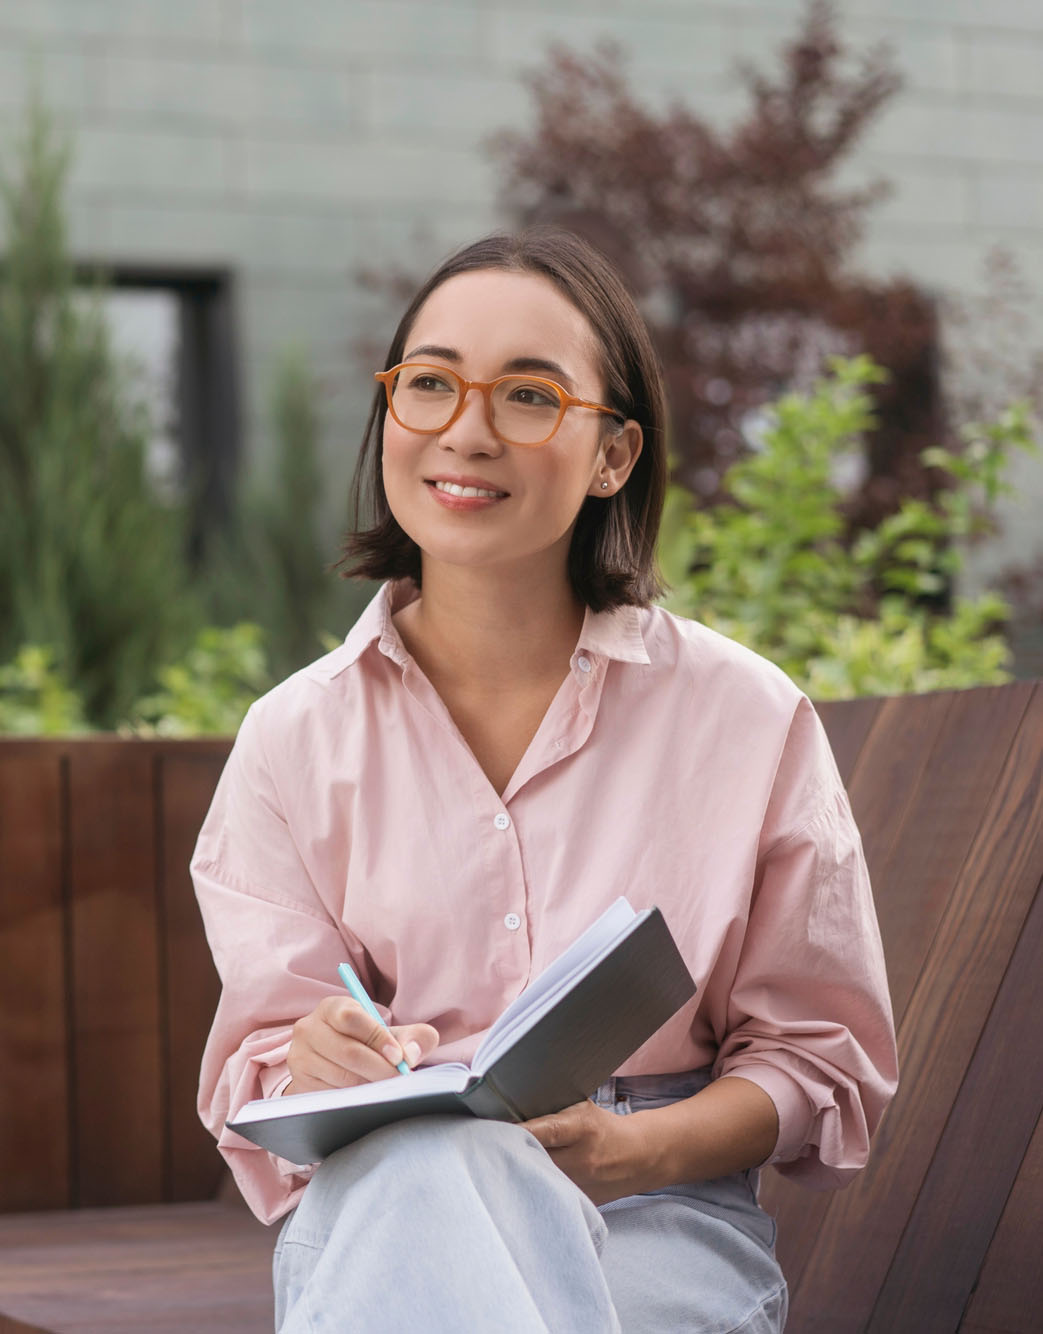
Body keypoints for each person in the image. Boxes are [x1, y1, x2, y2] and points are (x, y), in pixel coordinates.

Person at [192, 228, 898, 1333]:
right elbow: (265, 1063)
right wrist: (312, 1058)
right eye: (428, 384)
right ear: (390, 413)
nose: (464, 431)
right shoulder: (294, 737)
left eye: (527, 396)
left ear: (612, 454)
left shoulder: (743, 718)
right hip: (387, 1193)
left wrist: (635, 1148)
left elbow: (819, 1056)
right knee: (425, 1174)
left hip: (653, 1210)